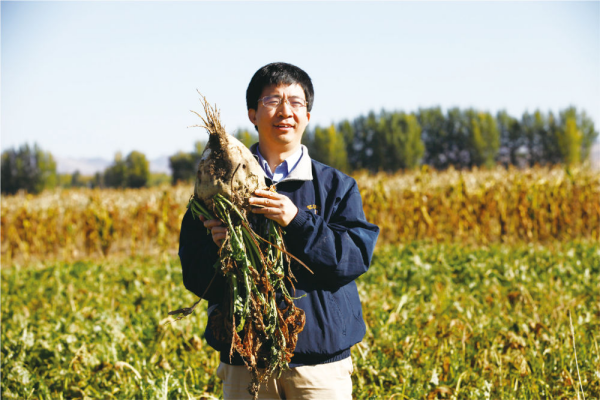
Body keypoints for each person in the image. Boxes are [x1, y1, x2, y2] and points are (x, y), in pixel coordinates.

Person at [179, 62, 379, 399]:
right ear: (253, 114)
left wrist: (297, 220)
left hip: (318, 367)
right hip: (245, 362)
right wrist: (221, 249)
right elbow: (195, 278)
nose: (285, 111)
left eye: (296, 102)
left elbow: (352, 259)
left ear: (307, 116)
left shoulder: (336, 186)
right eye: (272, 100)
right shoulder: (214, 192)